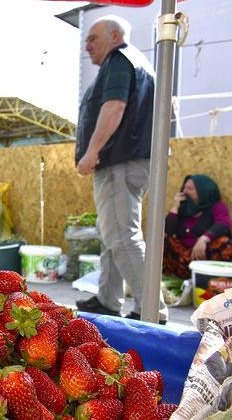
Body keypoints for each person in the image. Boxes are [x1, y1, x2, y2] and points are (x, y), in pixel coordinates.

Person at [73, 16, 168, 323]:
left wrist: (91, 152)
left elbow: (114, 106)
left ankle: (151, 309)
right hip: (135, 159)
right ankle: (108, 299)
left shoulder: (119, 59)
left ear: (115, 36)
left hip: (119, 161)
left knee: (122, 236)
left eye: (93, 38)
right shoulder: (136, 62)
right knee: (111, 231)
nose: (87, 45)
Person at [163, 175, 232, 279]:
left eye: (190, 188)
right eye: (184, 187)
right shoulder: (183, 208)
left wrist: (204, 239)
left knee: (224, 242)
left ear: (203, 191)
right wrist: (175, 206)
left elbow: (223, 224)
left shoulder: (216, 206)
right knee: (162, 240)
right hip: (183, 260)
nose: (185, 191)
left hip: (206, 258)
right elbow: (167, 231)